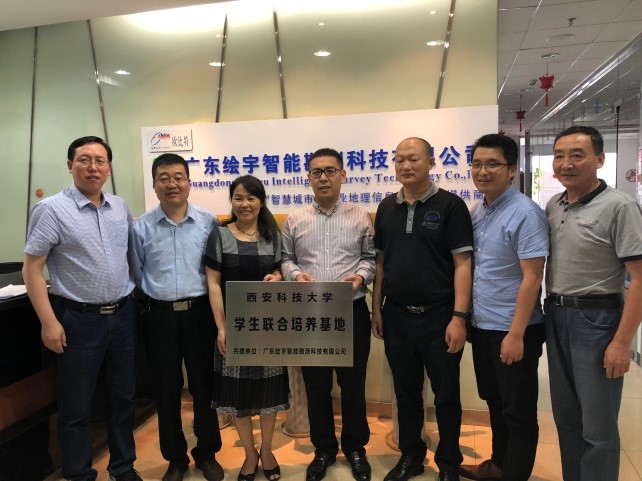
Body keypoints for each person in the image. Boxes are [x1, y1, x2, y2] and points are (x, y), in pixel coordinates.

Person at [22, 136, 141, 481]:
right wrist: (48, 322)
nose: (93, 167)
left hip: (122, 315)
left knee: (123, 398)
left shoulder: (119, 206)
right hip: (78, 320)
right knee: (76, 405)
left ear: (109, 168)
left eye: (100, 160)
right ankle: (78, 473)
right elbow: (32, 269)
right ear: (70, 165)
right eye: (84, 159)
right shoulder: (51, 209)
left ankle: (123, 468)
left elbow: (127, 257)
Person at [372, 137, 473, 481]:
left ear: (431, 163)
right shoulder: (387, 207)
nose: (405, 165)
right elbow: (381, 263)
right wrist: (377, 309)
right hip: (397, 316)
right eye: (399, 159)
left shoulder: (450, 206)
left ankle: (449, 463)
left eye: (413, 159)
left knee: (446, 395)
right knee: (406, 393)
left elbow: (463, 263)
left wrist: (459, 317)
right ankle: (411, 456)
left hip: (440, 316)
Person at [544, 126, 642, 481]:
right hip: (556, 313)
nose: (566, 164)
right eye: (559, 156)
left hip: (597, 320)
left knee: (598, 428)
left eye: (577, 155)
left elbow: (639, 279)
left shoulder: (620, 206)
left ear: (599, 159)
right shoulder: (554, 205)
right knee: (567, 419)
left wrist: (622, 343)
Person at [281, 148, 376, 481]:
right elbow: (286, 259)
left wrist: (360, 277)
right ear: (308, 178)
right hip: (311, 313)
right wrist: (296, 276)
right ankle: (323, 450)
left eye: (330, 171)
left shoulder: (360, 216)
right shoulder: (295, 219)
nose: (323, 178)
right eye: (316, 172)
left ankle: (355, 448)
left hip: (351, 311)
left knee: (353, 385)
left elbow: (370, 259)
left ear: (342, 176)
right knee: (316, 387)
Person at [458, 134, 549, 481]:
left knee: (519, 412)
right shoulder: (479, 209)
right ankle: (498, 465)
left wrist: (516, 334)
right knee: (495, 402)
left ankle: (514, 475)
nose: (483, 171)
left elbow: (533, 278)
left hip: (513, 330)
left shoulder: (526, 213)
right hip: (483, 326)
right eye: (477, 164)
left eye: (493, 164)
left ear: (512, 169)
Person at [129, 153, 223, 481]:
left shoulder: (208, 222)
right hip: (160, 318)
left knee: (204, 387)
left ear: (189, 183)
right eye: (164, 178)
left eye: (178, 177)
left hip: (200, 315)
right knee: (166, 390)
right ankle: (176, 459)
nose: (172, 184)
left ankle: (207, 453)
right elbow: (137, 273)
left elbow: (216, 272)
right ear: (154, 184)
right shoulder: (140, 227)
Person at [204, 175, 290, 481]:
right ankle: (250, 454)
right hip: (234, 326)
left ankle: (266, 450)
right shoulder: (219, 234)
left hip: (268, 326)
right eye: (238, 198)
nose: (244, 204)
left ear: (261, 202)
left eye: (251, 198)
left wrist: (277, 277)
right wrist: (222, 327)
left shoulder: (272, 234)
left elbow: (279, 269)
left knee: (269, 393)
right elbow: (213, 284)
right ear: (231, 201)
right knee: (238, 395)